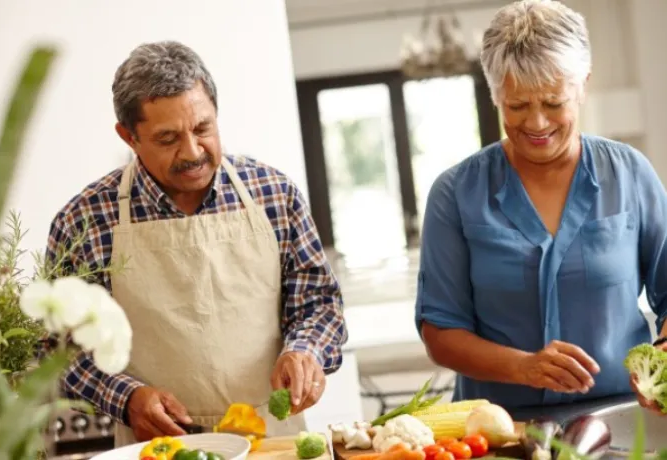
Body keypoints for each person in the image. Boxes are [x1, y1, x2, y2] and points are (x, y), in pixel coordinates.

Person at [45, 40, 348, 447]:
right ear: (129, 136)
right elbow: (63, 349)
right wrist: (127, 398)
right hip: (157, 445)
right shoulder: (82, 221)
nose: (192, 152)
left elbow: (319, 305)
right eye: (167, 138)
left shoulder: (275, 194)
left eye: (203, 128)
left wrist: (305, 350)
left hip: (271, 438)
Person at [415, 0, 667, 413]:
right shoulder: (455, 193)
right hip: (498, 428)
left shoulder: (629, 174)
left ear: (582, 83)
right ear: (495, 95)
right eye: (516, 106)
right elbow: (441, 333)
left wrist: (663, 357)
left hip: (620, 418)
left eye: (553, 103)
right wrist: (525, 368)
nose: (536, 124)